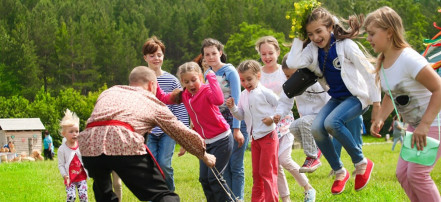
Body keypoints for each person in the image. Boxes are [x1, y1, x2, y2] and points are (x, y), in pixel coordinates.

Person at [78, 66, 216, 202]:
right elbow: (179, 131)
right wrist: (203, 155)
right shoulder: (151, 102)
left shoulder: (109, 92)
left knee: (104, 194)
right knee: (162, 196)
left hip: (89, 144)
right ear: (152, 85)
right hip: (123, 141)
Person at [286, 7, 381, 194]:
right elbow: (293, 63)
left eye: (319, 31)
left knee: (332, 123)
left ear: (330, 27)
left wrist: (376, 103)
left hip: (356, 97)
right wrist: (298, 35)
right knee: (316, 129)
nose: (315, 37)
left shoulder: (346, 46)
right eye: (310, 34)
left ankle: (361, 162)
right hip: (337, 98)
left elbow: (368, 73)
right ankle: (339, 171)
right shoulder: (313, 50)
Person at [366, 6, 441, 201]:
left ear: (389, 32)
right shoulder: (384, 62)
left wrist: (424, 125)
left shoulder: (409, 59)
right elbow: (392, 94)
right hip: (416, 126)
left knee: (417, 175)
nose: (368, 39)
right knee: (403, 175)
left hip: (433, 123)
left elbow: (439, 88)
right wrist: (381, 117)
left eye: (372, 33)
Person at [156, 61, 233, 202]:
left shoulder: (207, 90)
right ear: (182, 82)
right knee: (204, 179)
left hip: (222, 139)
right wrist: (152, 81)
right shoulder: (184, 95)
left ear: (200, 77)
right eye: (186, 81)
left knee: (214, 178)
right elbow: (163, 98)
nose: (191, 84)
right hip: (205, 142)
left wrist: (211, 77)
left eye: (194, 80)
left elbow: (218, 99)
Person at [280, 54, 365, 178]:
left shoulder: (318, 81)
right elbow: (286, 100)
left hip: (336, 112)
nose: (290, 79)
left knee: (352, 137)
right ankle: (333, 164)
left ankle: (357, 165)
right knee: (294, 127)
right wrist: (278, 114)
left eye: (292, 75)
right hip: (315, 118)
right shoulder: (292, 85)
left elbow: (331, 99)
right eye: (287, 76)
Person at [255, 36, 315, 202]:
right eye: (263, 54)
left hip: (284, 120)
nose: (267, 57)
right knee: (275, 163)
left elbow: (295, 93)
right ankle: (285, 198)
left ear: (277, 52)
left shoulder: (285, 71)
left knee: (284, 159)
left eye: (270, 53)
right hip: (267, 124)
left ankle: (308, 188)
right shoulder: (258, 73)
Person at [201, 38, 248, 201]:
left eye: (214, 53)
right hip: (218, 125)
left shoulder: (229, 71)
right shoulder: (207, 74)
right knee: (223, 167)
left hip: (234, 121)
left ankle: (239, 198)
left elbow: (236, 97)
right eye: (207, 55)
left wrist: (236, 129)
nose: (211, 57)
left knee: (236, 165)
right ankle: (229, 198)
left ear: (220, 53)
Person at [226, 60, 279, 202]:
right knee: (256, 174)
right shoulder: (243, 95)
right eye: (242, 80)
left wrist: (273, 118)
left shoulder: (265, 92)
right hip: (255, 139)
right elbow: (241, 115)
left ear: (258, 76)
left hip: (268, 137)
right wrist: (233, 108)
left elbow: (281, 106)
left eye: (249, 79)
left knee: (267, 173)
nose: (246, 83)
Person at [142, 36, 189, 191]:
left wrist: (183, 135)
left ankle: (169, 195)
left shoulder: (172, 80)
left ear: (163, 56)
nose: (156, 58)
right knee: (151, 166)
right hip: (148, 131)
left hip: (167, 130)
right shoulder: (140, 79)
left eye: (159, 55)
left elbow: (180, 109)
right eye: (152, 55)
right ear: (145, 57)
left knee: (164, 164)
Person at [57, 109, 88, 202]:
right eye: (71, 132)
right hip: (69, 178)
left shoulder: (81, 146)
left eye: (77, 131)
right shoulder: (62, 149)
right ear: (64, 134)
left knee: (83, 197)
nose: (74, 134)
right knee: (71, 197)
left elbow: (86, 159)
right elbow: (61, 165)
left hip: (81, 177)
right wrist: (64, 175)